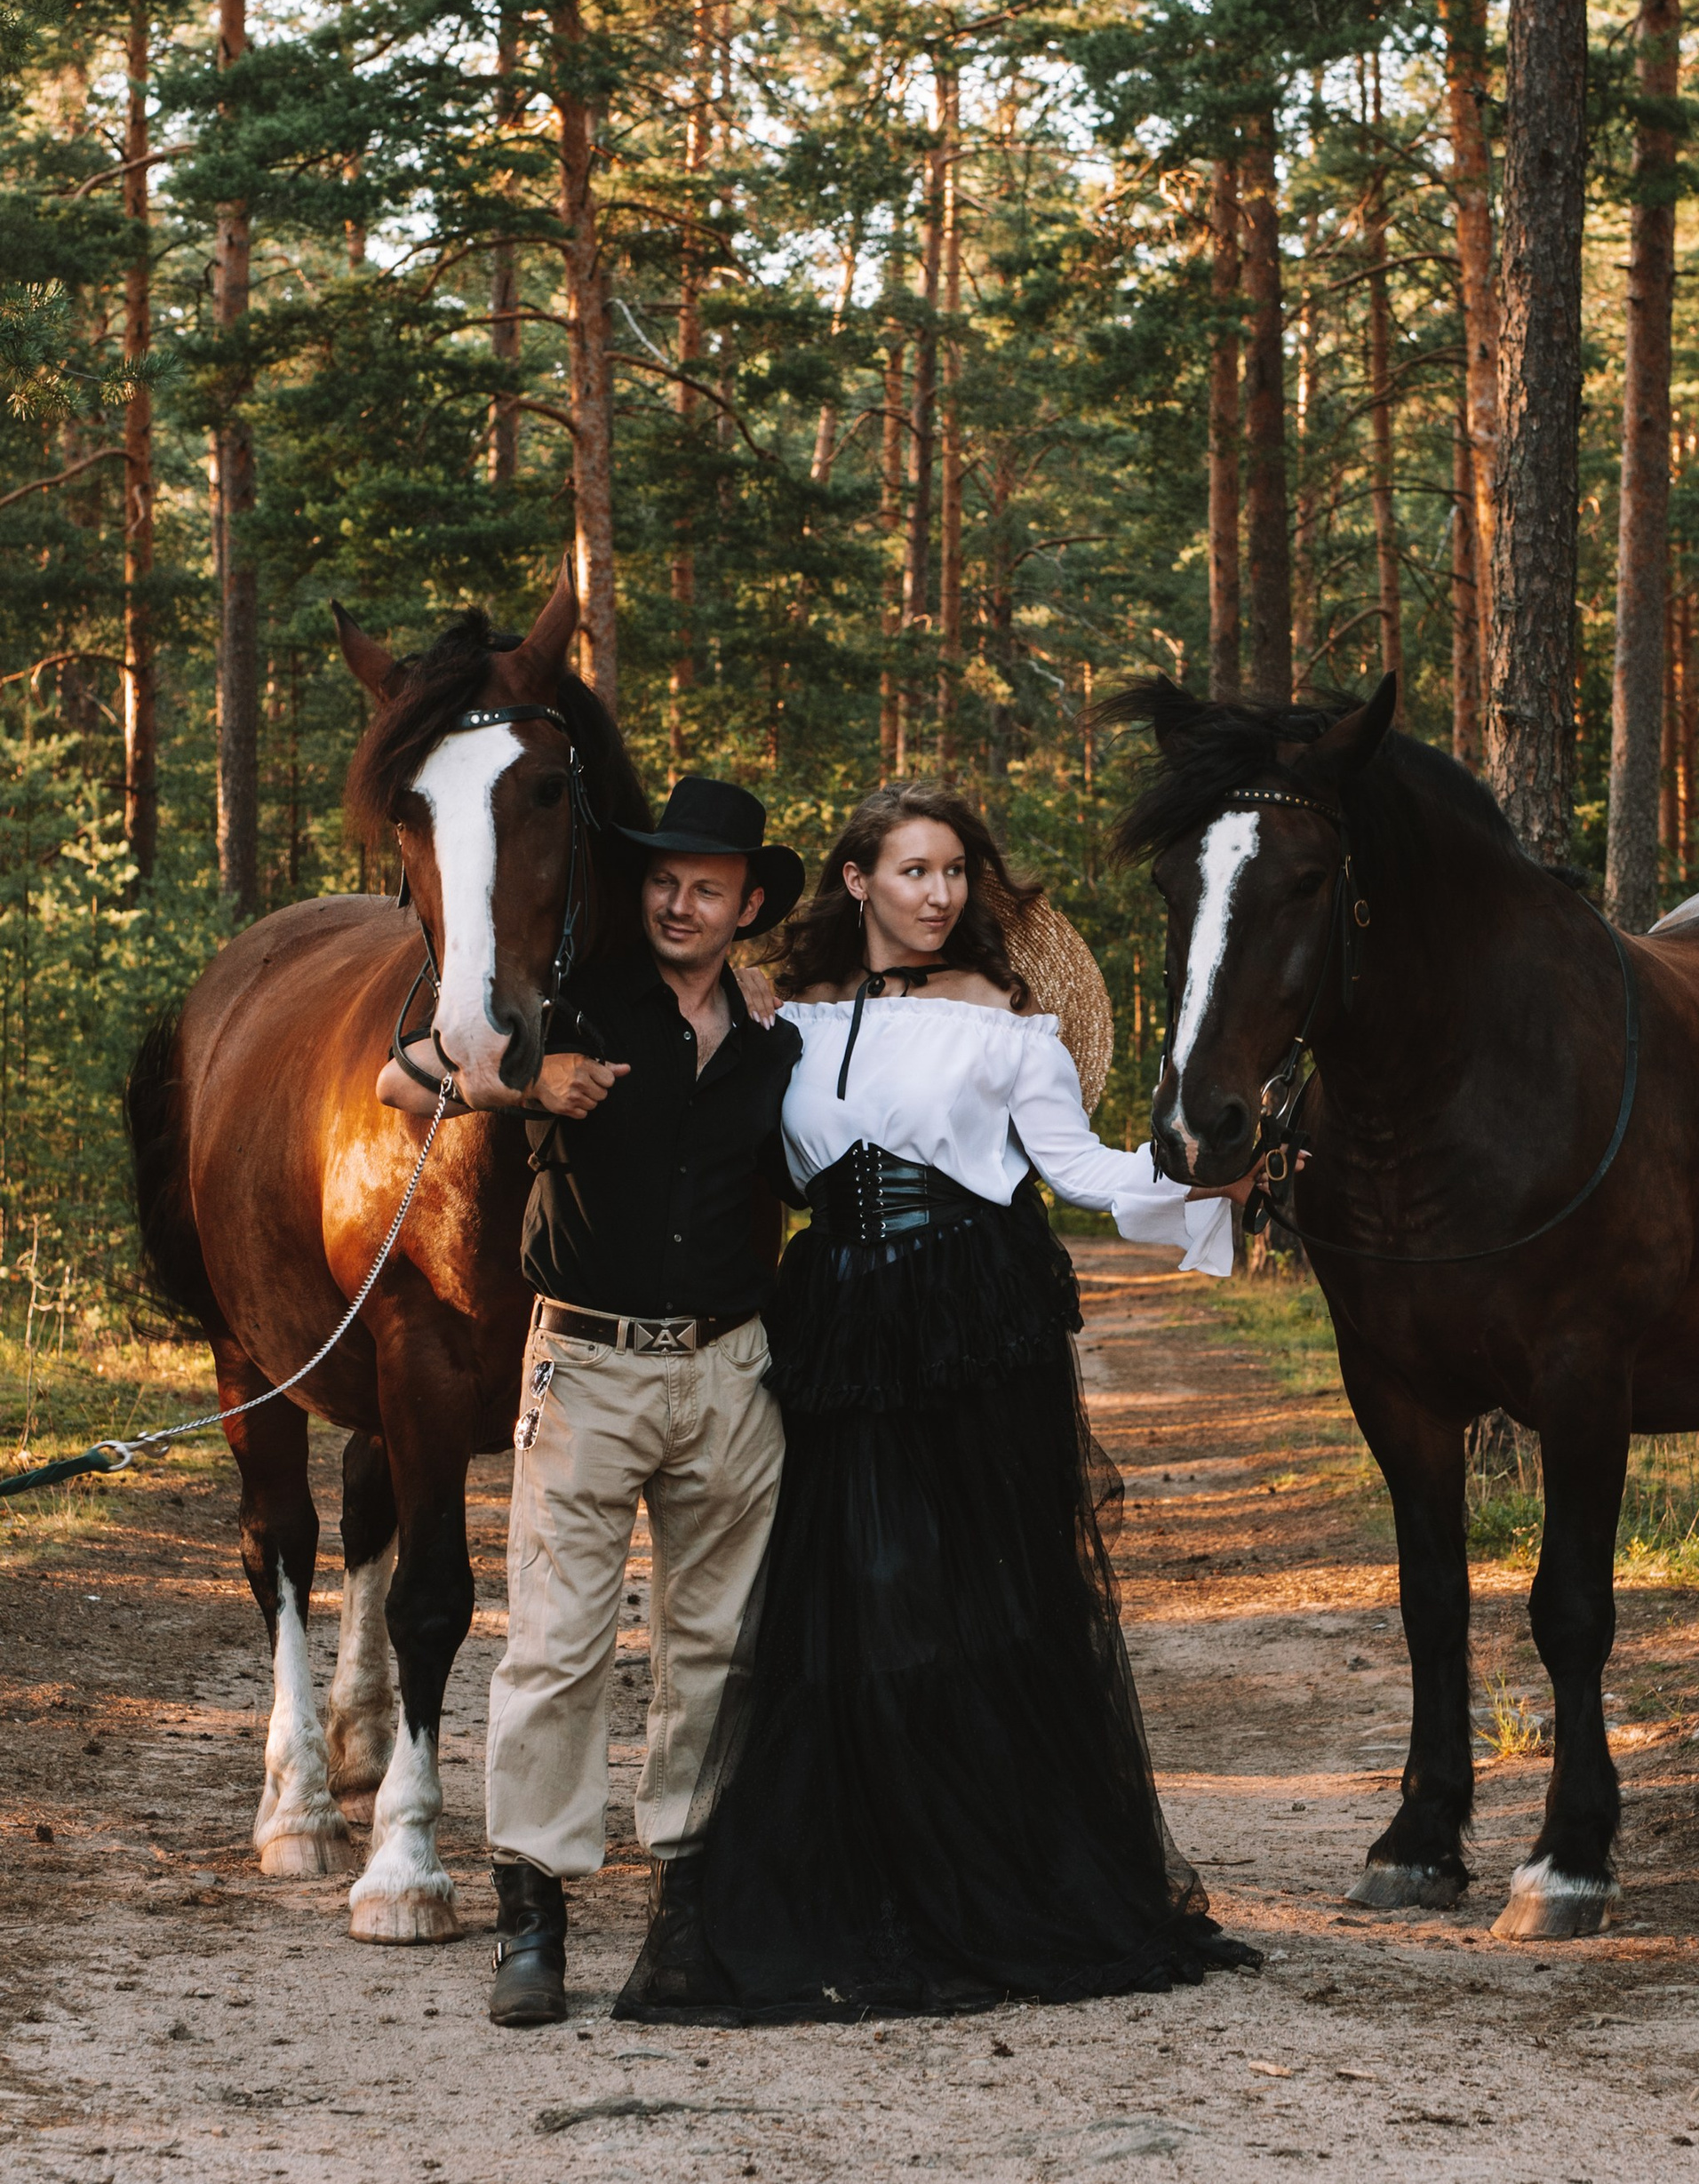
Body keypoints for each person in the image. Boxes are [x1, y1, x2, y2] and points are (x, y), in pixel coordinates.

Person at [614, 778, 1257, 2028]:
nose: (939, 893)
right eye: (913, 870)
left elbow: (1075, 1173)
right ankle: (869, 1879)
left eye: (956, 872)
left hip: (971, 1316)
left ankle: (990, 1875)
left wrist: (1206, 1184)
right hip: (838, 1317)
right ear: (856, 881)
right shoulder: (785, 1019)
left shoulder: (1011, 1026)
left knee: (975, 1596)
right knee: (849, 1596)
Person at [379, 774, 804, 2027]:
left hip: (732, 1372)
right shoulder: (573, 1002)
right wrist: (527, 1084)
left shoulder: (778, 1036)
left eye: (707, 887)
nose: (680, 903)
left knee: (714, 1647)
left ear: (748, 904)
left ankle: (685, 1905)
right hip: (588, 1366)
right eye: (664, 881)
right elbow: (404, 1080)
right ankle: (534, 1916)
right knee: (558, 1644)